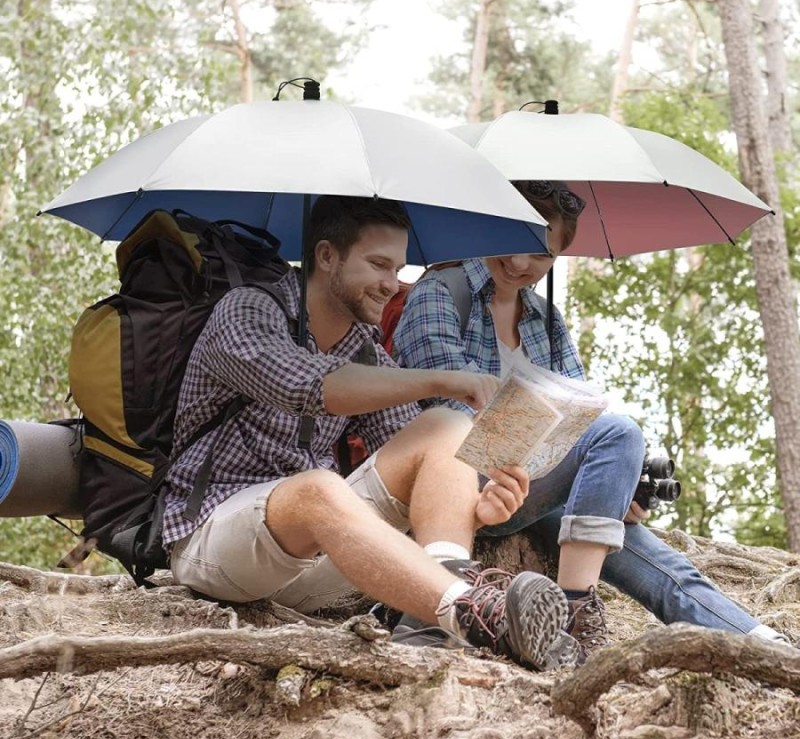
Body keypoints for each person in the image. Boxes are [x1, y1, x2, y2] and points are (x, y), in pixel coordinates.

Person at [161, 194, 570, 671]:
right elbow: (309, 386)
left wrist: (476, 508)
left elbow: (419, 465)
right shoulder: (248, 311)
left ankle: (433, 624)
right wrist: (443, 379)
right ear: (327, 255)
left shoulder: (363, 347)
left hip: (316, 556)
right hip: (213, 542)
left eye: (397, 268)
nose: (392, 285)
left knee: (445, 426)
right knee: (317, 489)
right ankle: (475, 614)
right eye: (378, 265)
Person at [392, 179, 789, 661]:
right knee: (620, 432)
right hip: (457, 485)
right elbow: (445, 413)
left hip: (531, 484)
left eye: (540, 255)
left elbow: (580, 414)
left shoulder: (545, 318)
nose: (520, 265)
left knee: (647, 549)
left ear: (558, 255)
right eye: (511, 244)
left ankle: (757, 640)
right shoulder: (440, 291)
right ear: (489, 228)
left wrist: (611, 487)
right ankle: (574, 613)